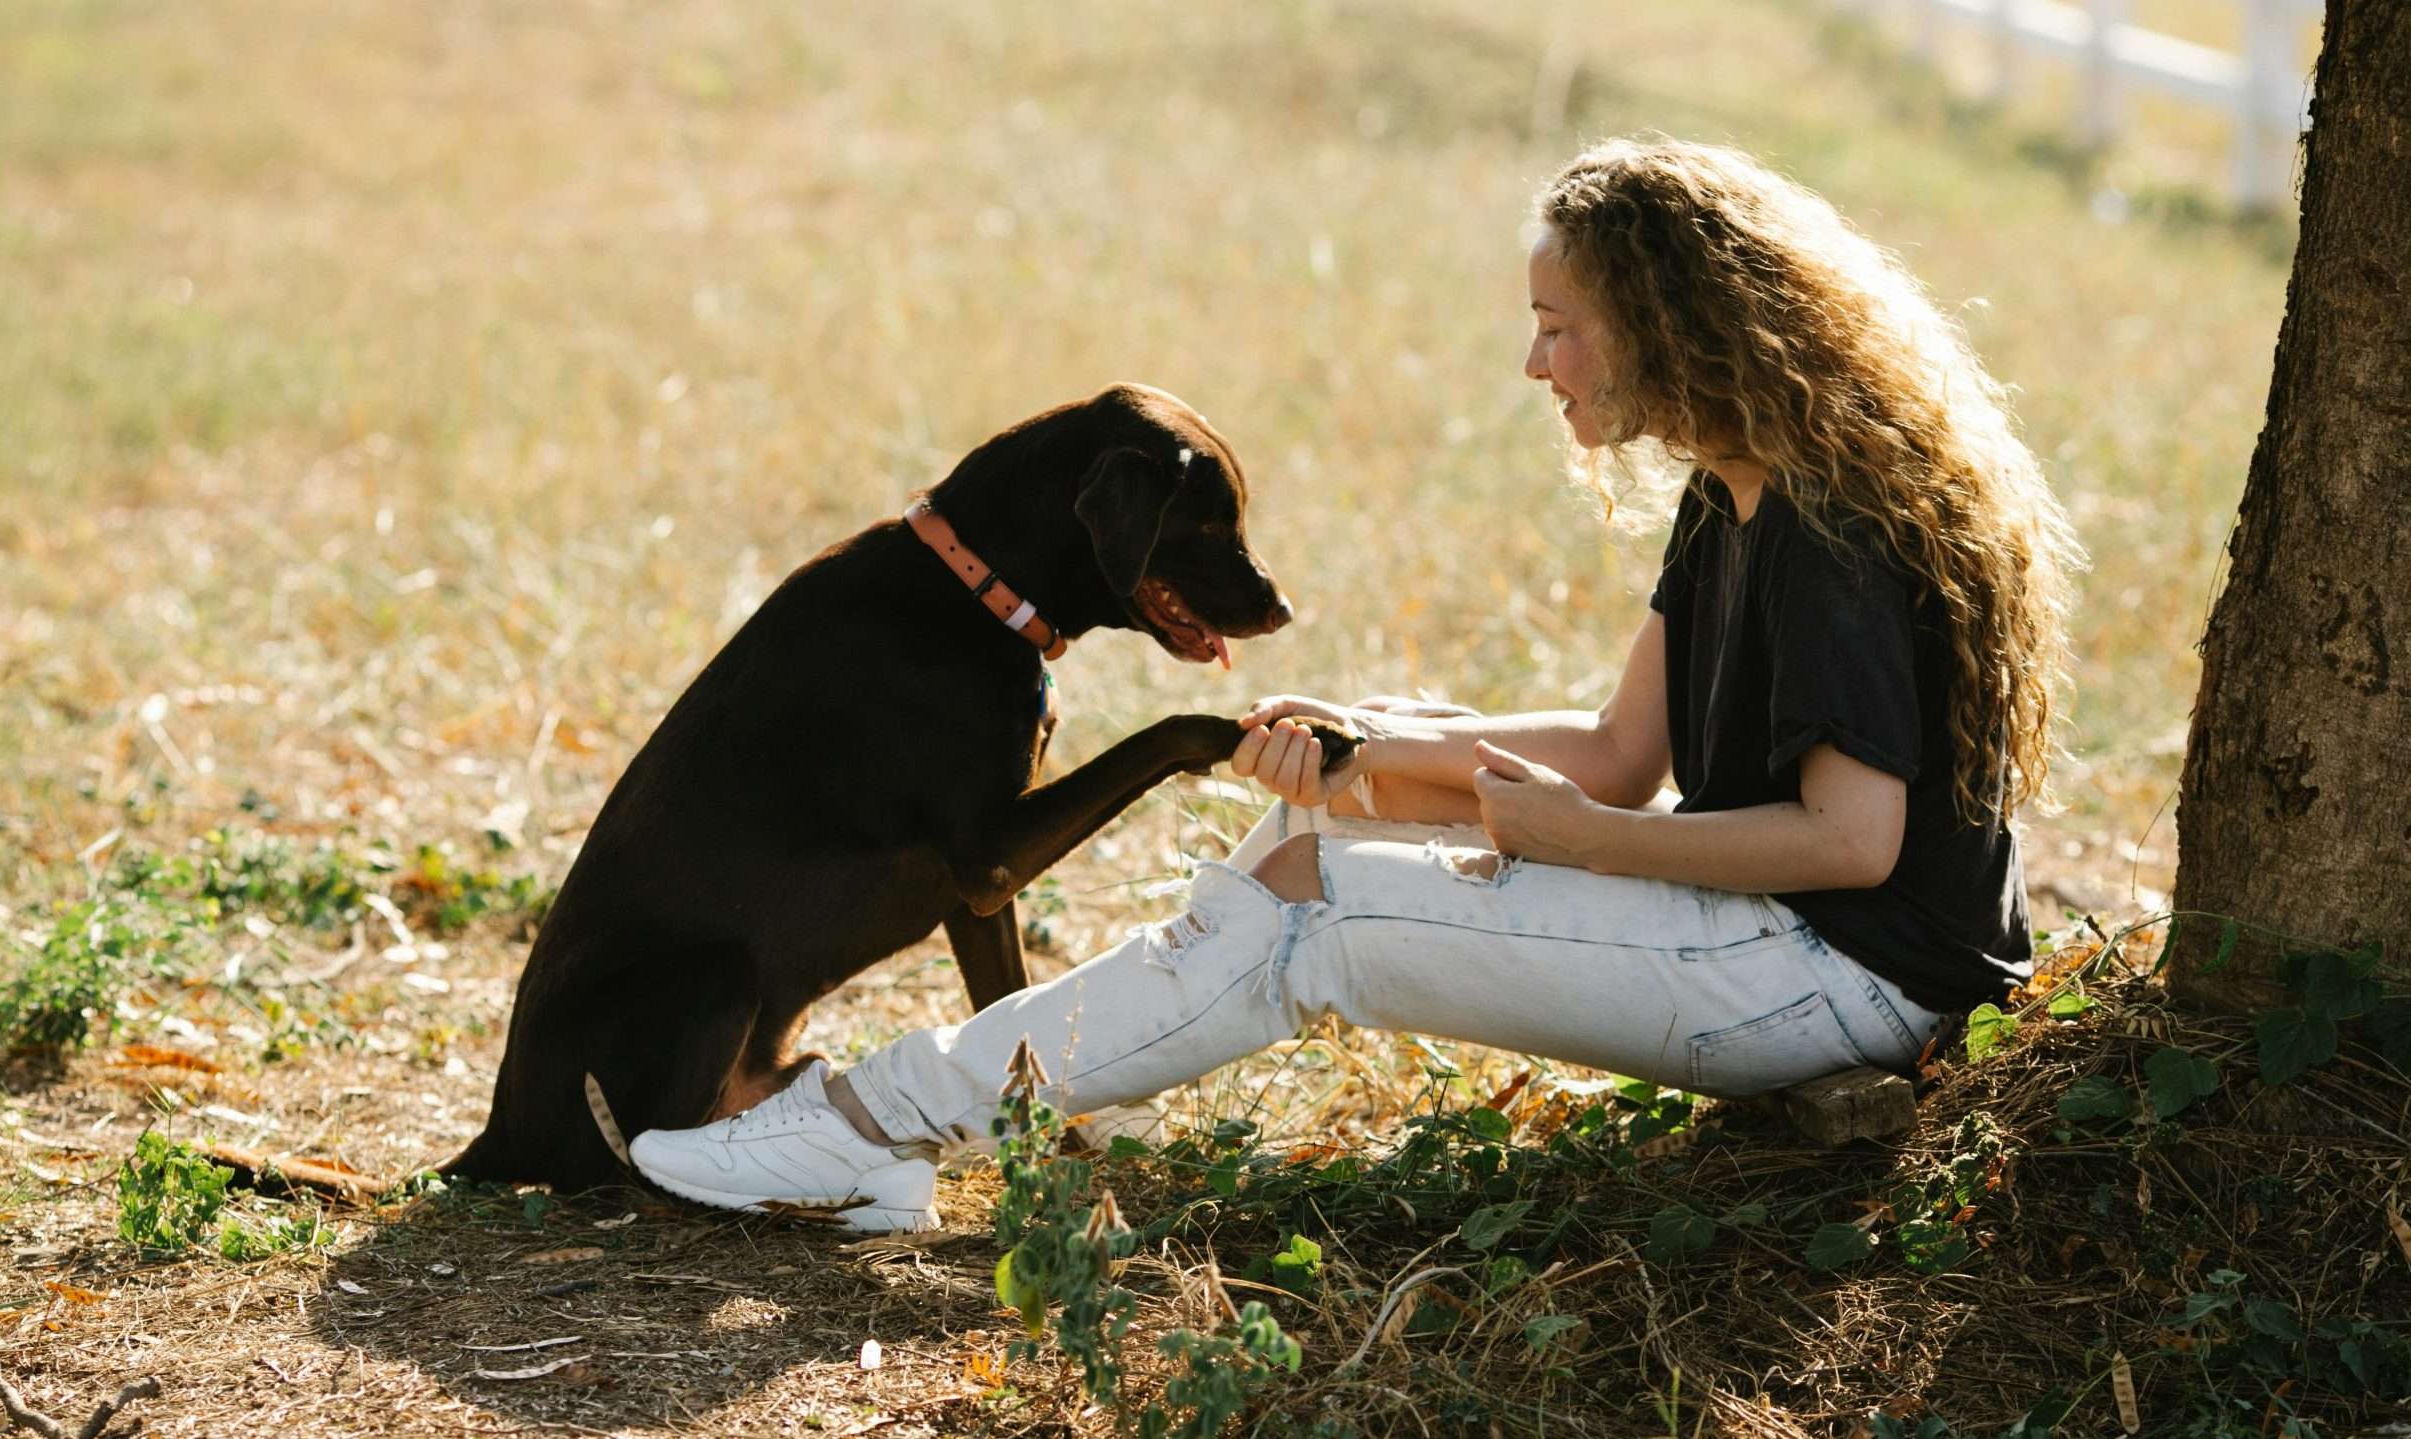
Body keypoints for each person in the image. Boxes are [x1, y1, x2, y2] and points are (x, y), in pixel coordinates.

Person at [628, 137, 2083, 1233]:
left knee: (1315, 912)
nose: (1536, 362)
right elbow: (1618, 751)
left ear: (1672, 322)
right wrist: (1370, 747)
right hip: (1780, 939)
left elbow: (1852, 842)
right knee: (1308, 833)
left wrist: (1588, 844)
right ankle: (915, 1144)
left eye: (1561, 325)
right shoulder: (1732, 489)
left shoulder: (1829, 533)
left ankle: (863, 1119)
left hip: (1848, 982)